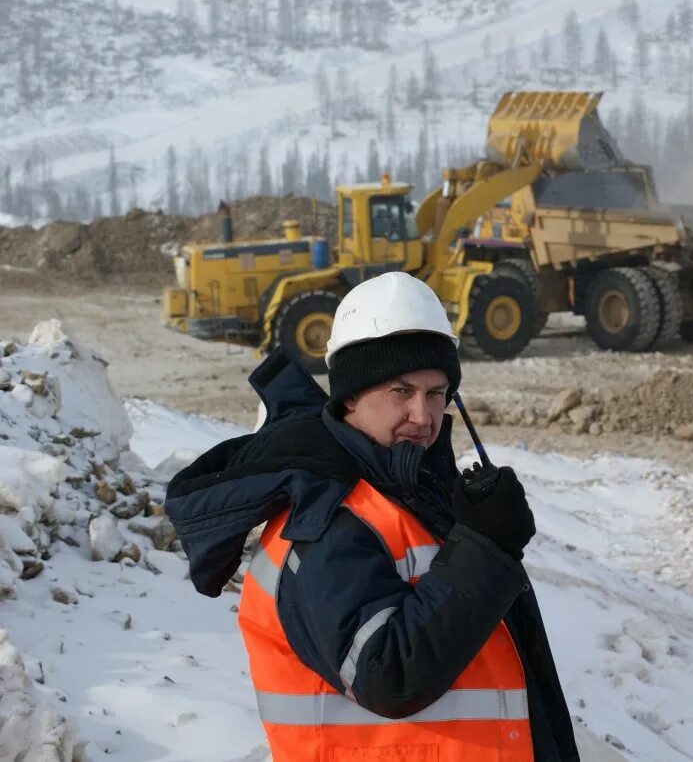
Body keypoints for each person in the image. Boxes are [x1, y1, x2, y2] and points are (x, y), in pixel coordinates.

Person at [165, 272, 579, 761]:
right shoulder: (323, 518)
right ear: (350, 397)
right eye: (401, 392)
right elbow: (388, 674)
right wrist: (484, 550)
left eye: (435, 392)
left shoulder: (414, 495)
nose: (423, 416)